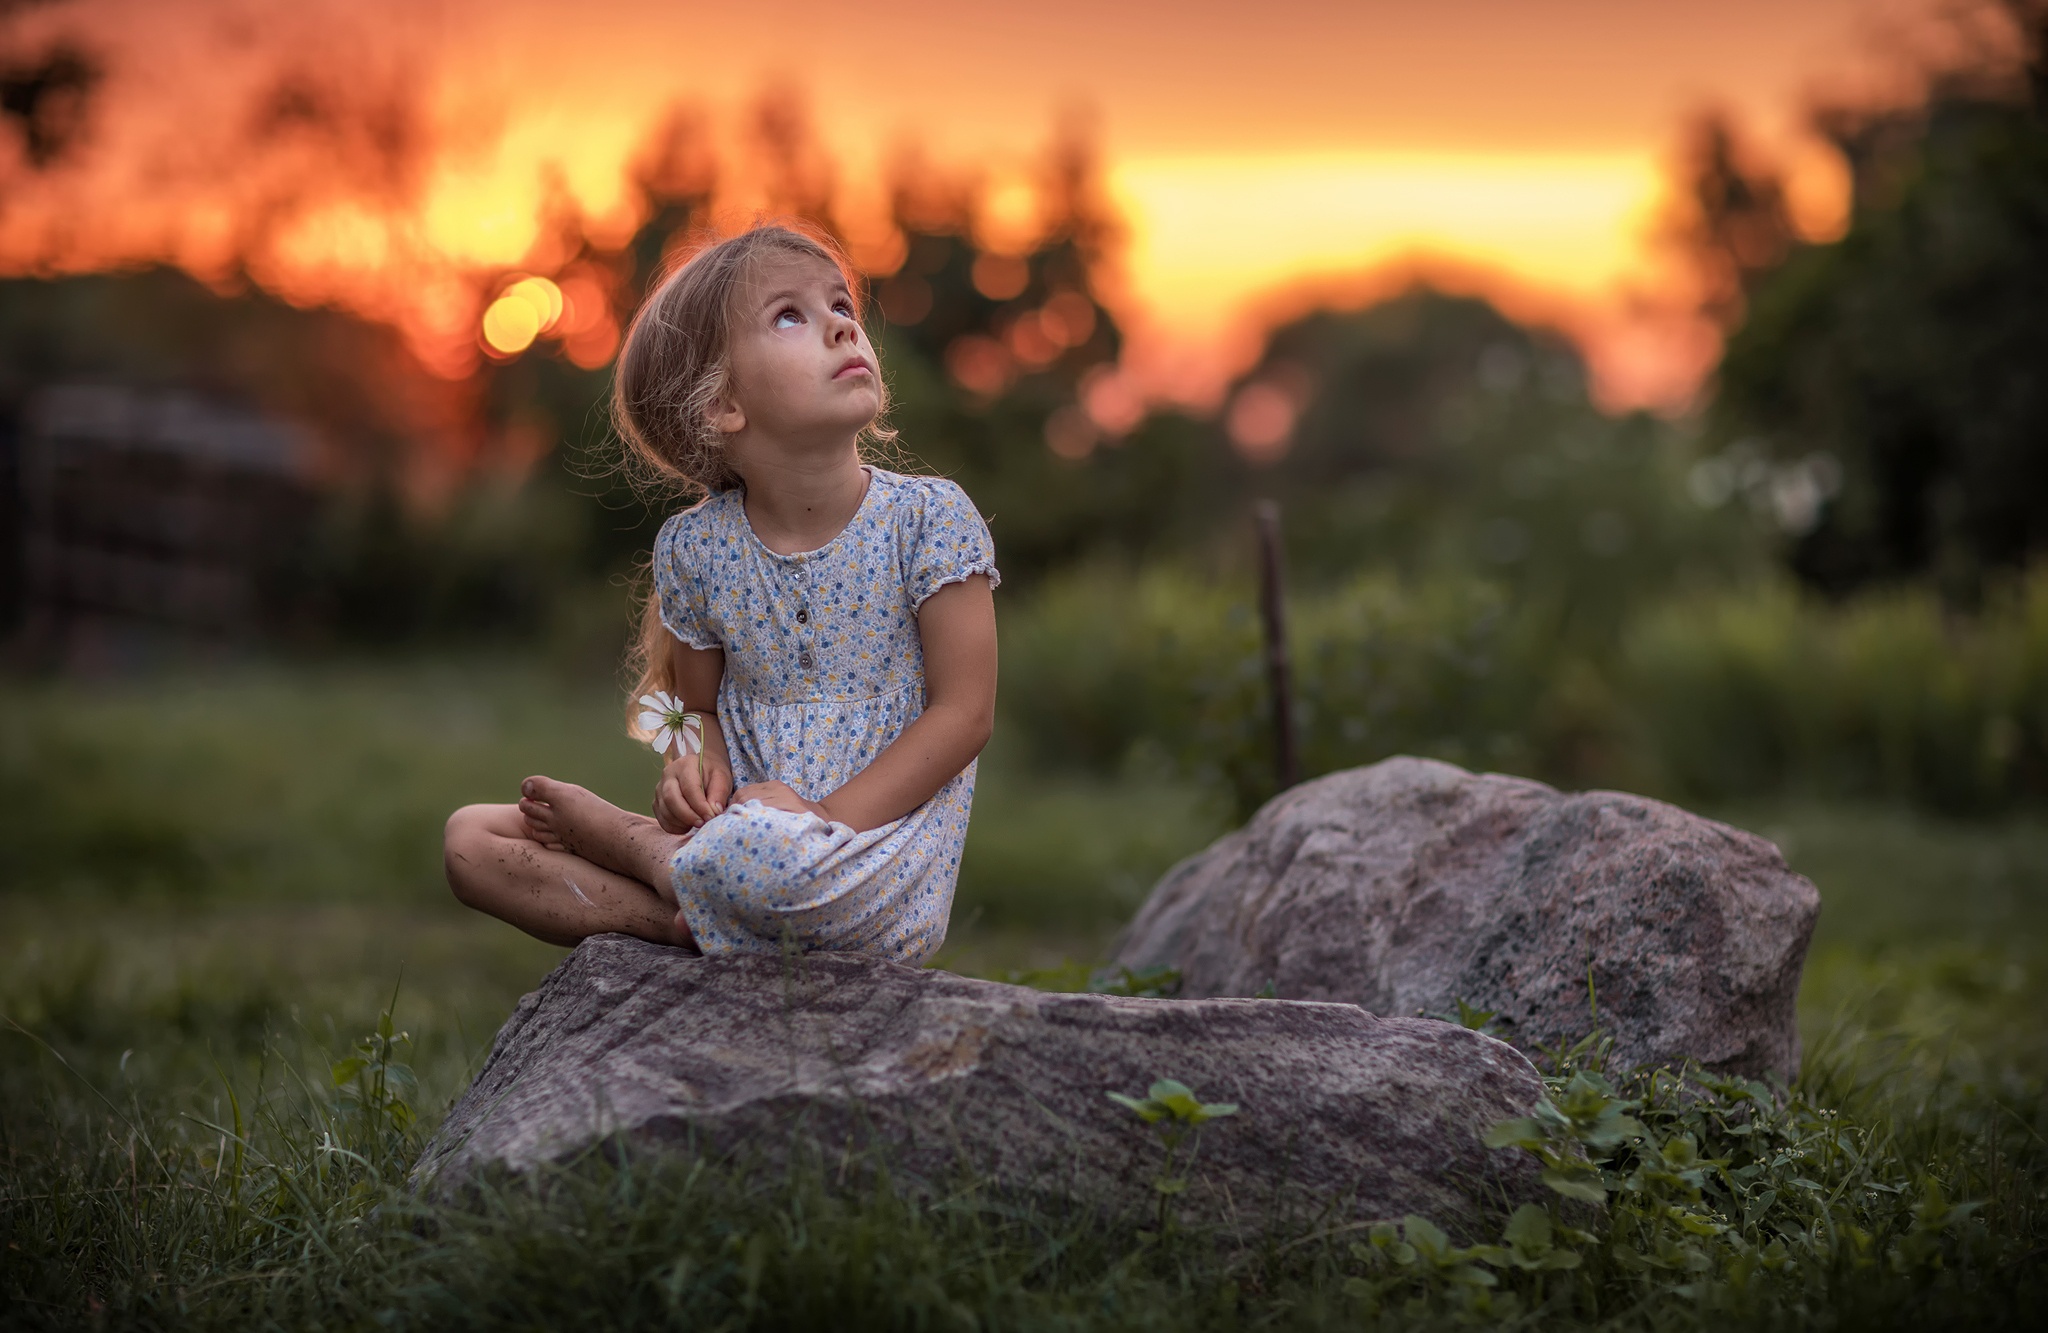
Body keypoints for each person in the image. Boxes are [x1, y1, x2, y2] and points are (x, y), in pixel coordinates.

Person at [442, 223, 999, 963]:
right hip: (737, 841)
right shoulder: (696, 550)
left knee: (760, 857)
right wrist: (688, 767)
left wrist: (821, 818)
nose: (841, 324)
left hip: (870, 864)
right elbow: (685, 708)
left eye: (842, 306)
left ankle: (649, 855)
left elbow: (965, 714)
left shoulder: (928, 519)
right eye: (790, 315)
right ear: (720, 405)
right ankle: (679, 915)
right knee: (469, 841)